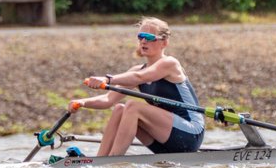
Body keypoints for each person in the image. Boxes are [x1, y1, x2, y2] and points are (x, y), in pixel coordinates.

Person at [69, 17, 205, 157]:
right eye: (140, 36)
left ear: (164, 42)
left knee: (133, 106)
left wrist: (107, 79)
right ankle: (100, 159)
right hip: (165, 139)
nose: (143, 41)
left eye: (149, 37)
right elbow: (108, 100)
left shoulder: (170, 63)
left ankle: (113, 159)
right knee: (120, 109)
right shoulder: (137, 70)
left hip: (190, 134)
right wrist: (82, 102)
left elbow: (140, 77)